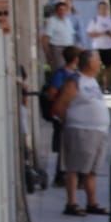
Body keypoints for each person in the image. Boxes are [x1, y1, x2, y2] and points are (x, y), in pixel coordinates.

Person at [53, 50, 110, 216]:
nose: (100, 63)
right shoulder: (75, 81)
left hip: (99, 131)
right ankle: (71, 203)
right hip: (80, 130)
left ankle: (92, 202)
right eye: (97, 60)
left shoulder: (92, 81)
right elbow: (59, 106)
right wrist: (70, 121)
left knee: (92, 170)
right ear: (89, 63)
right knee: (75, 167)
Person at [41, 45, 80, 185]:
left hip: (75, 115)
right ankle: (61, 175)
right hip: (63, 116)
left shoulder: (76, 74)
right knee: (64, 145)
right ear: (75, 59)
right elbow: (52, 93)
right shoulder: (61, 74)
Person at [86, 2, 111, 90]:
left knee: (108, 67)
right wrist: (100, 33)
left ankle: (106, 86)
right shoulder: (94, 20)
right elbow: (89, 34)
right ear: (98, 9)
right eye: (101, 8)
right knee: (96, 67)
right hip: (97, 47)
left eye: (105, 8)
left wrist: (110, 34)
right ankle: (95, 86)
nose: (103, 10)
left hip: (110, 47)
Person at [41, 0, 77, 71]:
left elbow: (71, 35)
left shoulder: (68, 20)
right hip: (57, 49)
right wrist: (48, 54)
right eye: (60, 10)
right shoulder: (52, 21)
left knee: (69, 71)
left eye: (64, 10)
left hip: (68, 49)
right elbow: (45, 39)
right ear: (56, 11)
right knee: (59, 70)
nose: (62, 12)